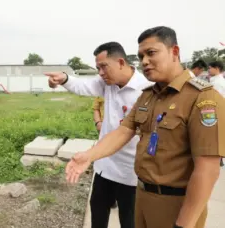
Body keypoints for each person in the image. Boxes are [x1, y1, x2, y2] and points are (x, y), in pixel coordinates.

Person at [65, 26, 225, 228]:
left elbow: (208, 170)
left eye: (151, 53)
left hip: (175, 204)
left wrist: (184, 225)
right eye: (141, 56)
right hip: (141, 196)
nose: (144, 62)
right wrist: (89, 155)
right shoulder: (148, 95)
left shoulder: (203, 98)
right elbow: (124, 131)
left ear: (174, 52)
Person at [45, 42, 153, 228]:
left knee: (129, 221)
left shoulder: (147, 89)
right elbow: (82, 86)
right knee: (98, 214)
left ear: (120, 62)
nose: (100, 73)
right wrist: (63, 78)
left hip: (131, 171)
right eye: (97, 68)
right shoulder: (106, 84)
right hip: (104, 165)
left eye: (104, 67)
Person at [92, 96, 118, 209]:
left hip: (122, 133)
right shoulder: (102, 89)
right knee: (106, 163)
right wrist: (98, 122)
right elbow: (96, 108)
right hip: (104, 133)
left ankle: (119, 197)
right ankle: (111, 199)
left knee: (119, 164)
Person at [208, 61, 225, 167]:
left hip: (217, 113)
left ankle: (218, 159)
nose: (209, 70)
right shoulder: (216, 81)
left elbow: (215, 101)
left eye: (210, 68)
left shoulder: (218, 83)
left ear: (217, 68)